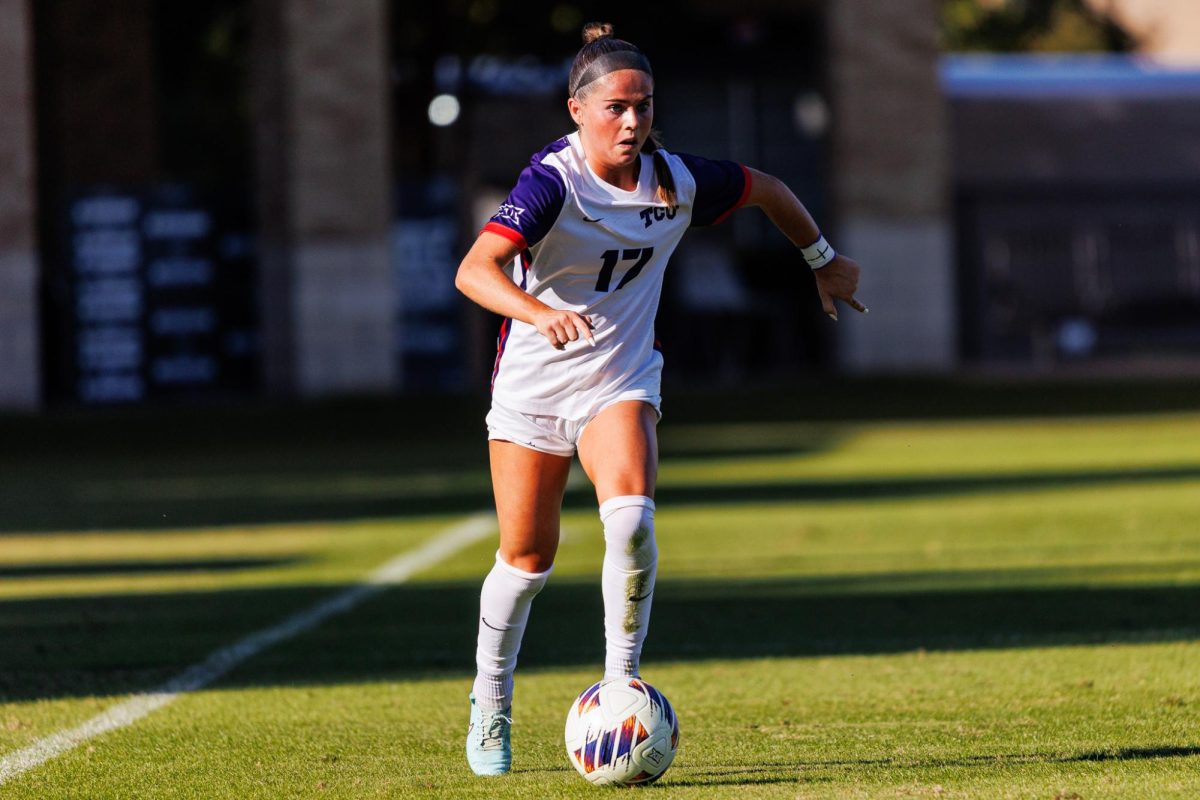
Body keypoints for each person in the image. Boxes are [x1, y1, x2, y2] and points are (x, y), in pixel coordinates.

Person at [455, 22, 866, 776]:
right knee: (526, 559)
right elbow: (475, 272)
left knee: (632, 520)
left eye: (642, 106)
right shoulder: (552, 181)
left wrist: (823, 260)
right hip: (532, 388)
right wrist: (540, 312)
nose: (632, 121)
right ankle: (491, 699)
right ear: (577, 109)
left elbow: (768, 190)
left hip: (619, 379)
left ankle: (621, 682)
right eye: (615, 107)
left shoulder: (675, 178)